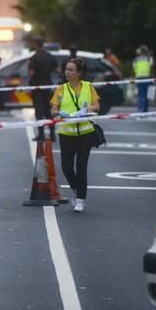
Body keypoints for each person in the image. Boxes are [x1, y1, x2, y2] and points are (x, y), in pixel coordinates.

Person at [50, 58, 100, 213]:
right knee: (66, 167)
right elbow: (53, 110)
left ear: (79, 73)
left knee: (82, 167)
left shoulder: (88, 87)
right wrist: (59, 112)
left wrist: (87, 109)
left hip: (85, 132)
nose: (67, 72)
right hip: (66, 133)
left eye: (71, 70)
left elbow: (97, 106)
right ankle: (75, 188)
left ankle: (80, 199)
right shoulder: (61, 89)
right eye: (66, 69)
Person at [29, 37, 58, 142]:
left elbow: (31, 72)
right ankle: (52, 134)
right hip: (48, 86)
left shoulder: (35, 57)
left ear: (36, 45)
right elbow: (56, 69)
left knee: (39, 112)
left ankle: (41, 134)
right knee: (47, 111)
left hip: (37, 87)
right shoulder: (50, 56)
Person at [133, 45, 153, 112]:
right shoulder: (149, 58)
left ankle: (140, 110)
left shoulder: (136, 59)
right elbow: (152, 66)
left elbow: (134, 67)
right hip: (147, 78)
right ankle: (145, 110)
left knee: (141, 95)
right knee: (147, 95)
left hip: (139, 78)